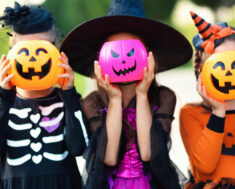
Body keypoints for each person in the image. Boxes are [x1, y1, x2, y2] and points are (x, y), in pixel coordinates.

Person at [61, 0, 192, 188]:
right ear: (101, 59)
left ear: (148, 55)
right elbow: (109, 157)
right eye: (114, 53)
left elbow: (148, 153)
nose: (123, 59)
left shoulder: (163, 96)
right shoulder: (93, 102)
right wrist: (114, 99)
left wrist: (142, 95)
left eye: (131, 52)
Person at [0, 2, 88, 189]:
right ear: (11, 55)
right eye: (26, 52)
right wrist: (4, 97)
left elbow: (79, 147)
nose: (35, 60)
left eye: (43, 50)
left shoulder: (68, 100)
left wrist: (69, 95)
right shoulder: (5, 103)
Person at [180, 11, 235, 188]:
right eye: (218, 65)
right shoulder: (190, 113)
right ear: (201, 71)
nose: (228, 73)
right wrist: (218, 112)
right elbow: (204, 168)